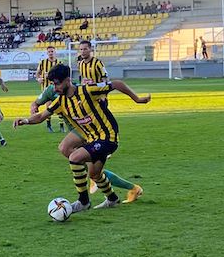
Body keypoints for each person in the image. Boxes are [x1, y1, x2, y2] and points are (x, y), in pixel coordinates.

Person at [14, 63, 150, 213]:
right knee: (94, 174)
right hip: (92, 139)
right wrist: (26, 120)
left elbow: (116, 84)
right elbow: (41, 116)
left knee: (75, 157)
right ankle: (112, 199)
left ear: (67, 80)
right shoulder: (60, 102)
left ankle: (83, 201)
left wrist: (137, 99)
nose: (54, 88)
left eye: (57, 84)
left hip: (108, 137)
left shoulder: (87, 91)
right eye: (52, 84)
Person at [36, 46, 61, 132]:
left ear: (55, 52)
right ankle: (49, 125)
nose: (51, 53)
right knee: (49, 106)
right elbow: (37, 74)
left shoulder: (59, 63)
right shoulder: (43, 62)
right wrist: (39, 79)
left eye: (52, 51)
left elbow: (62, 75)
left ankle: (61, 125)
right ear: (47, 53)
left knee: (60, 106)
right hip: (46, 89)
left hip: (57, 88)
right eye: (49, 52)